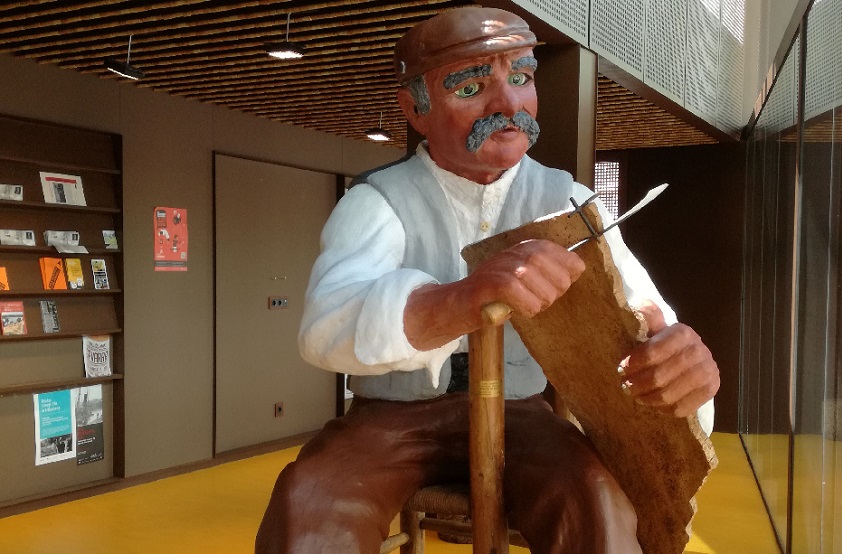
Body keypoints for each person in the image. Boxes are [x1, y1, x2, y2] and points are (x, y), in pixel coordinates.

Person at [256, 7, 719, 554]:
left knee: (596, 501)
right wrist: (456, 300)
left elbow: (642, 309)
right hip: (391, 419)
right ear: (415, 109)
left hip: (523, 416)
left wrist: (676, 362)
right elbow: (326, 326)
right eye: (472, 87)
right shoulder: (378, 201)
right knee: (311, 504)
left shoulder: (570, 202)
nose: (508, 105)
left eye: (520, 77)